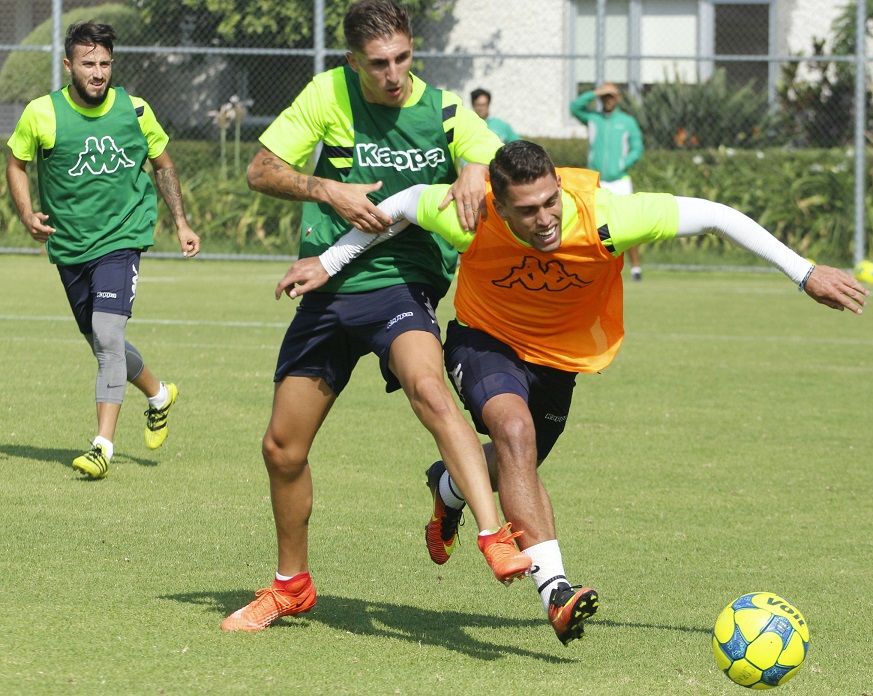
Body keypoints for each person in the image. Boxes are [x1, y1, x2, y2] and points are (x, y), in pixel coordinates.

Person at [279, 140, 868, 644]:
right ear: (499, 205)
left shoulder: (608, 217)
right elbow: (404, 205)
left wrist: (805, 272)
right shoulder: (468, 212)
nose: (545, 218)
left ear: (560, 186)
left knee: (519, 461)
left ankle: (451, 485)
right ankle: (555, 589)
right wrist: (329, 264)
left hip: (559, 361)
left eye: (550, 201)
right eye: (527, 210)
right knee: (514, 432)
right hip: (484, 340)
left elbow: (715, 213)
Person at [220, 0, 532, 634]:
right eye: (378, 64)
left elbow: (506, 163)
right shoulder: (326, 94)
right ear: (352, 62)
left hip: (401, 281)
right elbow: (261, 169)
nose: (393, 75)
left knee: (427, 387)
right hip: (329, 283)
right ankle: (291, 587)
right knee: (282, 448)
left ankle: (494, 534)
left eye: (402, 59)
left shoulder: (444, 109)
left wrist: (474, 166)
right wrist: (326, 189)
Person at [5, 21, 200, 480]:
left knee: (108, 335)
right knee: (99, 340)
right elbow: (16, 162)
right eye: (89, 64)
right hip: (70, 246)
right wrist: (27, 212)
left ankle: (102, 446)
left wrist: (181, 222)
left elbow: (163, 165)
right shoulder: (42, 113)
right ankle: (158, 394)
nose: (98, 73)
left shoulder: (134, 110)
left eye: (105, 64)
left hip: (122, 238)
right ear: (69, 65)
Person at [570, 83, 645, 280]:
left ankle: (636, 268)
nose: (607, 100)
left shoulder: (627, 121)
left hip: (620, 181)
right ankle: (606, 263)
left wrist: (622, 164)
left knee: (629, 225)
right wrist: (594, 93)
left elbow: (637, 148)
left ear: (617, 98)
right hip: (597, 181)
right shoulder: (593, 119)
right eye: (604, 97)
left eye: (611, 96)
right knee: (599, 227)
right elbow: (574, 107)